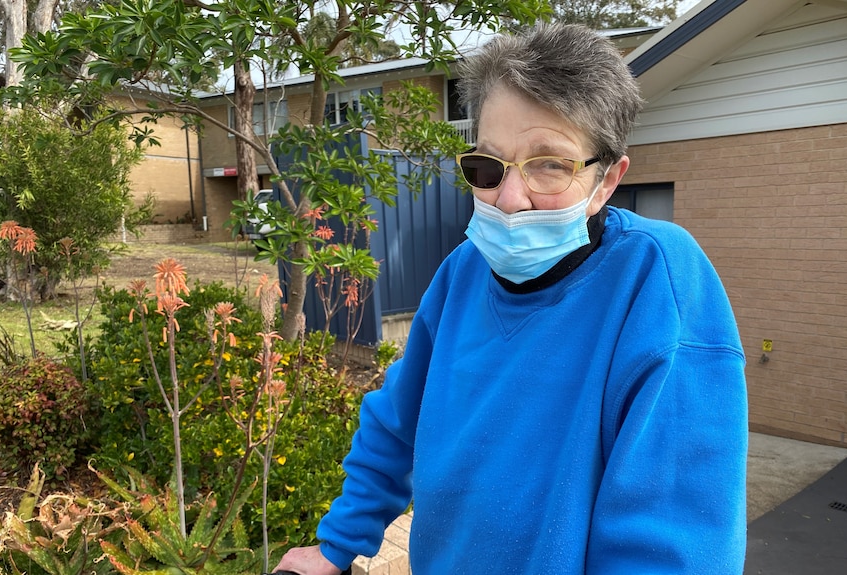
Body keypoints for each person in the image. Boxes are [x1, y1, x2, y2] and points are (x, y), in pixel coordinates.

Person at [274, 22, 748, 575]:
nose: (510, 198)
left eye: (551, 164)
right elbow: (396, 421)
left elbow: (673, 545)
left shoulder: (658, 283)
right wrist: (337, 545)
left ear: (608, 180)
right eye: (488, 167)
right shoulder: (463, 271)